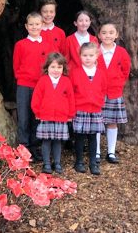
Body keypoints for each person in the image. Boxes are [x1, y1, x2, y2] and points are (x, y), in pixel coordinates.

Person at [13, 12, 57, 162]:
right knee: (24, 117)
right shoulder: (20, 45)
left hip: (40, 86)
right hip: (24, 85)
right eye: (31, 24)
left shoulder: (47, 45)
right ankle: (23, 148)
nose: (34, 27)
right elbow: (16, 65)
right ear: (26, 26)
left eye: (37, 24)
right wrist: (23, 78)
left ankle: (34, 147)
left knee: (37, 117)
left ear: (42, 26)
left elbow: (50, 66)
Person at [31, 53, 75, 174]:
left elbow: (71, 99)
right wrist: (37, 111)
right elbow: (36, 98)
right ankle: (46, 164)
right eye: (53, 67)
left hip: (61, 117)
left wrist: (70, 115)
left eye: (59, 67)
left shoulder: (66, 81)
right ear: (47, 68)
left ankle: (57, 163)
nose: (56, 70)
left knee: (57, 141)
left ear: (63, 68)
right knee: (46, 141)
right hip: (46, 116)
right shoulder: (43, 81)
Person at [96, 21, 131, 164]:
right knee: (97, 122)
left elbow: (125, 71)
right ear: (99, 35)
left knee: (112, 123)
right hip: (97, 92)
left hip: (114, 92)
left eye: (111, 33)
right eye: (104, 33)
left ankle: (110, 152)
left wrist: (118, 83)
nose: (107, 35)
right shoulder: (95, 51)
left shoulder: (121, 52)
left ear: (116, 35)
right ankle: (96, 151)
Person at [70, 42, 107, 175]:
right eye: (85, 55)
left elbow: (103, 90)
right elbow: (71, 92)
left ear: (97, 56)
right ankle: (79, 162)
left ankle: (93, 162)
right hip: (80, 109)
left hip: (95, 109)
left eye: (91, 55)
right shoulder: (75, 73)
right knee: (79, 137)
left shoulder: (101, 73)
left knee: (92, 137)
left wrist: (98, 102)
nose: (88, 58)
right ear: (80, 56)